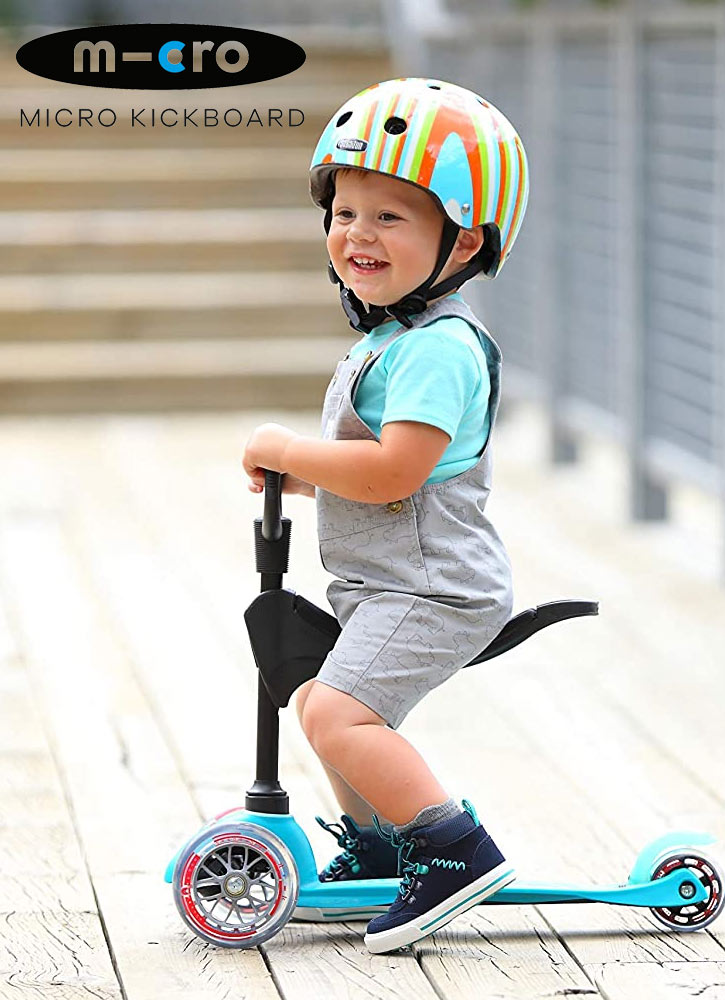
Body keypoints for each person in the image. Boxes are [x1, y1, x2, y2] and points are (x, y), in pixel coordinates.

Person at [242, 77, 529, 954]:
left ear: (463, 240)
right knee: (322, 697)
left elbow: (394, 473)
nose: (357, 235)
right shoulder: (395, 339)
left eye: (391, 218)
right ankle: (375, 842)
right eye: (346, 212)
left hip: (437, 589)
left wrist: (293, 451)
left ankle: (451, 850)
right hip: (391, 580)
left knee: (336, 714)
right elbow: (396, 471)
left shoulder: (440, 349)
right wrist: (299, 484)